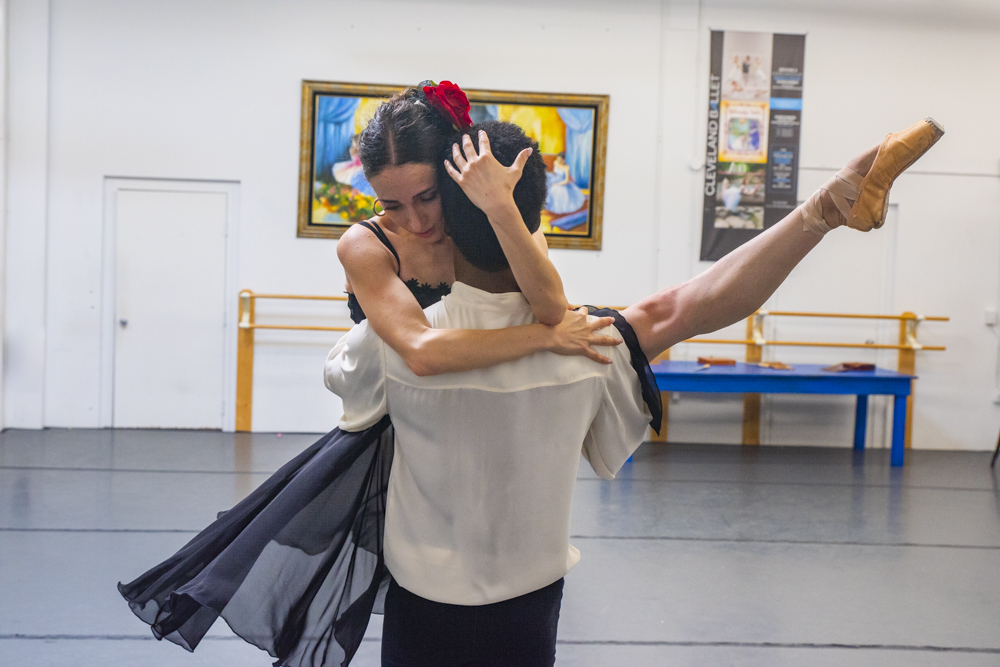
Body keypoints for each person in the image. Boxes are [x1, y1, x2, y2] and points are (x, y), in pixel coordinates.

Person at [325, 115, 944, 666]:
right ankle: (832, 202)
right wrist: (817, 212)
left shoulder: (388, 347)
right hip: (529, 601)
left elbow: (353, 375)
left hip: (424, 599)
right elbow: (690, 306)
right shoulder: (587, 347)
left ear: (446, 232)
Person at [118, 82, 617, 667]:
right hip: (391, 420)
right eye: (392, 204)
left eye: (427, 197)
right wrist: (546, 338)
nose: (416, 219)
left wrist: (504, 212)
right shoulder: (365, 243)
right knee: (404, 590)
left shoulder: (483, 226)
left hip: (466, 420)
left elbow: (551, 302)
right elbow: (420, 350)